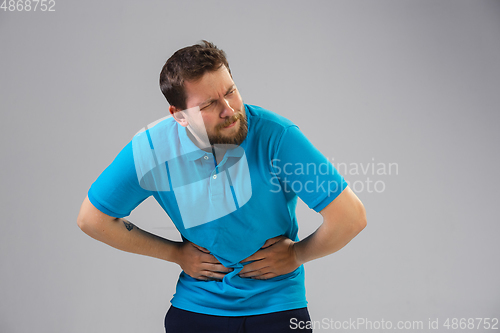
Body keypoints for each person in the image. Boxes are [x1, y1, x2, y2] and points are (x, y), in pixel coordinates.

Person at [77, 40, 367, 333]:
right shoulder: (152, 149)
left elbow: (351, 217)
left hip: (278, 307)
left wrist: (297, 255)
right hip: (196, 309)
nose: (229, 110)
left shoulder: (277, 136)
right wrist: (175, 254)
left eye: (230, 91)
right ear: (179, 116)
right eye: (209, 104)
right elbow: (92, 220)